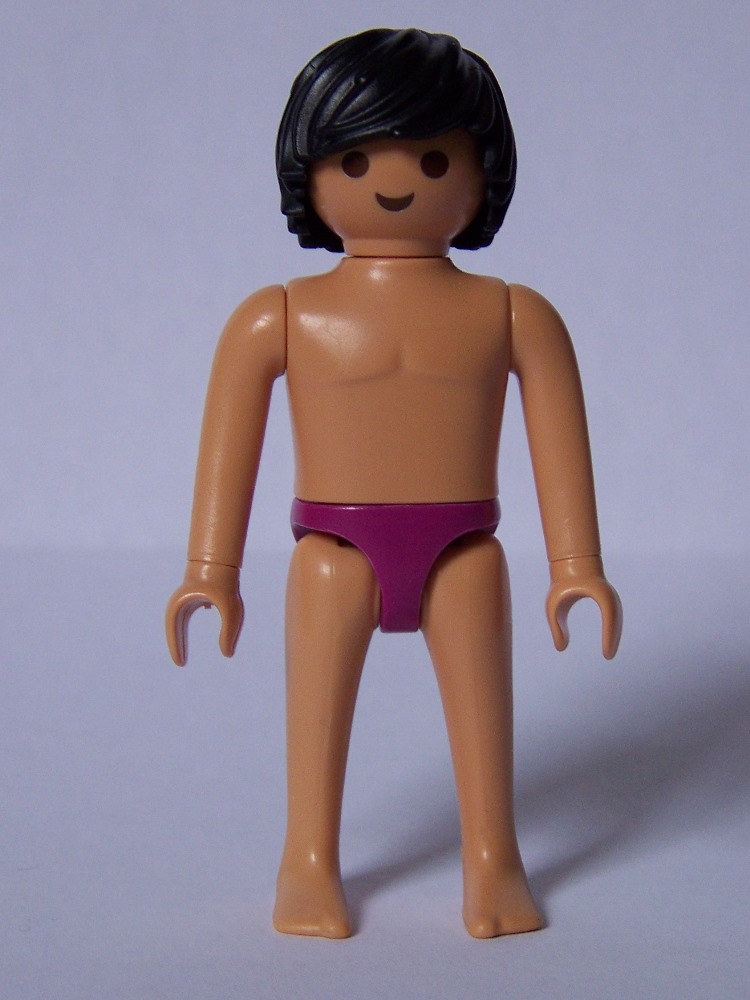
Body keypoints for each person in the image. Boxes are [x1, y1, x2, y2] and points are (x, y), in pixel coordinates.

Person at [166, 28, 622, 939]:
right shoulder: (279, 314)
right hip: (333, 551)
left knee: (484, 725)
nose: (395, 181)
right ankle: (307, 862)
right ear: (308, 171)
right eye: (355, 158)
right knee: (316, 725)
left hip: (464, 550)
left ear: (483, 173)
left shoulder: (513, 313)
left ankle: (493, 860)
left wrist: (577, 566)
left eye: (434, 158)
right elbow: (229, 446)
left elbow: (560, 444)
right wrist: (210, 570)